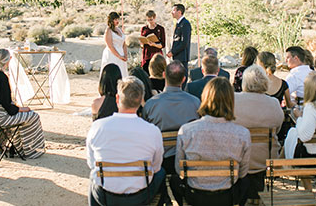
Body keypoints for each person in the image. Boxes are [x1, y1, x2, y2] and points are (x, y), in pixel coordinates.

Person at [87, 76, 165, 206]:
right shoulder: (152, 131)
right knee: (161, 173)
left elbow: (91, 163)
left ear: (118, 99)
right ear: (141, 100)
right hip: (141, 196)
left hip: (106, 196)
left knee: (93, 176)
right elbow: (156, 166)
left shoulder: (97, 127)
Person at [175, 77, 251, 205]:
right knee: (247, 181)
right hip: (227, 196)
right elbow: (243, 172)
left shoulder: (187, 130)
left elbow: (179, 169)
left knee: (173, 180)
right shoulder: (242, 134)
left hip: (195, 195)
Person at [142, 61, 200, 205]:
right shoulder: (195, 103)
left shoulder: (151, 104)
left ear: (163, 75)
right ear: (184, 79)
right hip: (188, 161)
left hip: (162, 162)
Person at [234, 65, 284, 202]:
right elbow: (278, 128)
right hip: (266, 157)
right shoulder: (273, 103)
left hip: (238, 156)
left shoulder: (233, 100)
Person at [0, 49, 45, 159]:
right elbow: (6, 104)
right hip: (2, 117)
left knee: (24, 118)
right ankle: (29, 149)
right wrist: (20, 109)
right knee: (33, 116)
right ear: (8, 60)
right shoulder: (2, 77)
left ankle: (19, 147)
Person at [100, 12, 128, 79]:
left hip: (121, 53)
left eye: (118, 19)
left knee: (122, 73)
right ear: (111, 20)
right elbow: (110, 46)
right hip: (112, 54)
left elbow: (124, 44)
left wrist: (125, 55)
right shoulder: (108, 30)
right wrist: (119, 56)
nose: (117, 21)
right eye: (115, 19)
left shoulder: (119, 30)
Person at [168, 3, 192, 75]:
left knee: (182, 77)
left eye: (173, 10)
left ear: (179, 12)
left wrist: (173, 52)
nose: (172, 12)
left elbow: (184, 42)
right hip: (177, 56)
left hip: (182, 57)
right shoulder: (179, 23)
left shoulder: (185, 24)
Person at [140, 10, 166, 74]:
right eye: (148, 20)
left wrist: (154, 44)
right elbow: (141, 45)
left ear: (155, 18)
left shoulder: (160, 29)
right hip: (146, 55)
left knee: (158, 73)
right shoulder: (144, 29)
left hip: (156, 55)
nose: (149, 21)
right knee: (146, 74)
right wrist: (142, 43)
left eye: (151, 19)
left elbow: (163, 45)